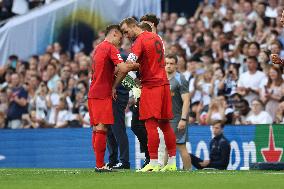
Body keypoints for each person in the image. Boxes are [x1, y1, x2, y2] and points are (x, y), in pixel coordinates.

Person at [116, 17, 177, 172]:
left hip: (151, 86)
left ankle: (154, 163)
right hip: (164, 84)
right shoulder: (157, 38)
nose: (126, 35)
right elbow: (152, 61)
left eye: (126, 31)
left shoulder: (140, 41)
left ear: (133, 26)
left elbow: (128, 66)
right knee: (165, 125)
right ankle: (172, 163)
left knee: (150, 124)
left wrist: (114, 82)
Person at [87, 24, 139, 172]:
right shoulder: (110, 48)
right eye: (120, 38)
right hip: (103, 93)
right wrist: (139, 66)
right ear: (114, 34)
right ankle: (101, 164)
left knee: (98, 129)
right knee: (103, 128)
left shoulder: (98, 48)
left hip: (94, 92)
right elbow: (123, 68)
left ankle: (100, 163)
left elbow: (108, 69)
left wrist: (113, 82)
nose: (121, 42)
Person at [165, 54, 191, 170]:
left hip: (177, 118)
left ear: (176, 65)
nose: (168, 66)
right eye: (166, 63)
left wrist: (183, 119)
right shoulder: (162, 78)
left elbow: (186, 101)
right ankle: (163, 171)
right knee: (166, 146)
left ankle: (189, 171)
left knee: (181, 146)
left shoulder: (181, 79)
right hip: (166, 118)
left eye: (171, 63)